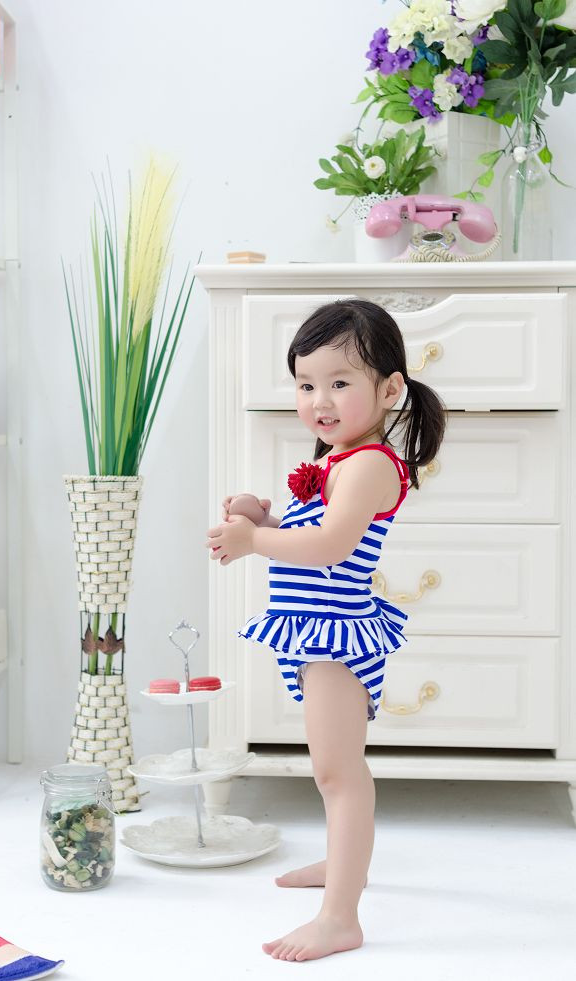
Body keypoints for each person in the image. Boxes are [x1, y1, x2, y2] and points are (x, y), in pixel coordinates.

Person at [205, 298, 447, 962]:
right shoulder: (338, 460)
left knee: (340, 773)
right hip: (315, 634)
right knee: (329, 768)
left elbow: (331, 546)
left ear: (390, 389)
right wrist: (262, 516)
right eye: (306, 384)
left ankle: (341, 915)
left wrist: (254, 541)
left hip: (337, 636)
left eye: (339, 382)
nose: (320, 400)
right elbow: (307, 530)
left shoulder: (368, 464)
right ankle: (345, 865)